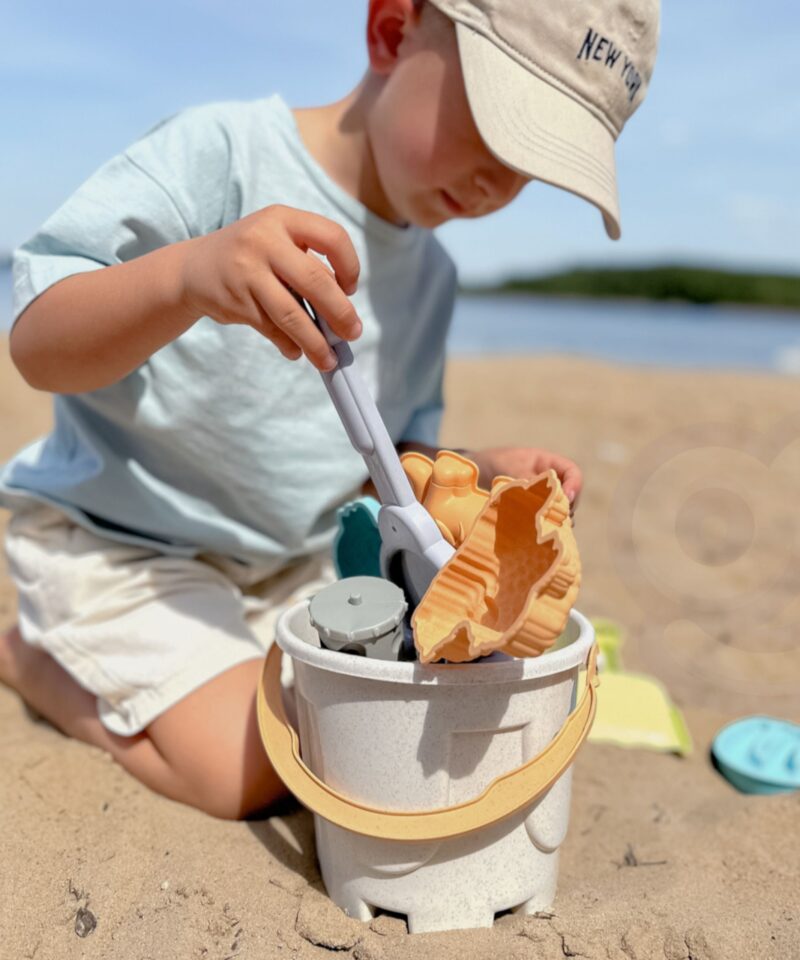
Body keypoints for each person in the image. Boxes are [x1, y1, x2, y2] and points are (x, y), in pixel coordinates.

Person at [0, 0, 659, 819]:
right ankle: (32, 660)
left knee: (396, 704)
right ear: (391, 30)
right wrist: (187, 276)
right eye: (497, 131)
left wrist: (482, 471)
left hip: (291, 559)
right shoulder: (224, 154)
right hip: (122, 543)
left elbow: (392, 458)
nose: (500, 184)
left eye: (536, 167)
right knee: (249, 768)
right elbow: (36, 344)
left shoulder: (433, 280)